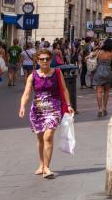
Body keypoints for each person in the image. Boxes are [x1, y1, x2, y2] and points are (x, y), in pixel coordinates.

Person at [19, 47, 73, 179]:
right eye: (42, 59)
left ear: (51, 60)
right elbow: (26, 93)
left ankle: (47, 167)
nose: (44, 61)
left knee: (48, 136)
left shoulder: (57, 73)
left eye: (47, 59)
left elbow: (65, 89)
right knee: (40, 138)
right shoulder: (33, 76)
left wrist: (69, 105)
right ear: (37, 60)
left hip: (54, 107)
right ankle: (41, 164)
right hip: (37, 110)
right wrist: (22, 107)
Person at [91, 38, 112, 117]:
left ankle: (99, 109)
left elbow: (91, 55)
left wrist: (99, 47)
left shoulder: (99, 52)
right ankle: (104, 108)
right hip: (108, 71)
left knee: (99, 92)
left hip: (99, 71)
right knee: (106, 91)